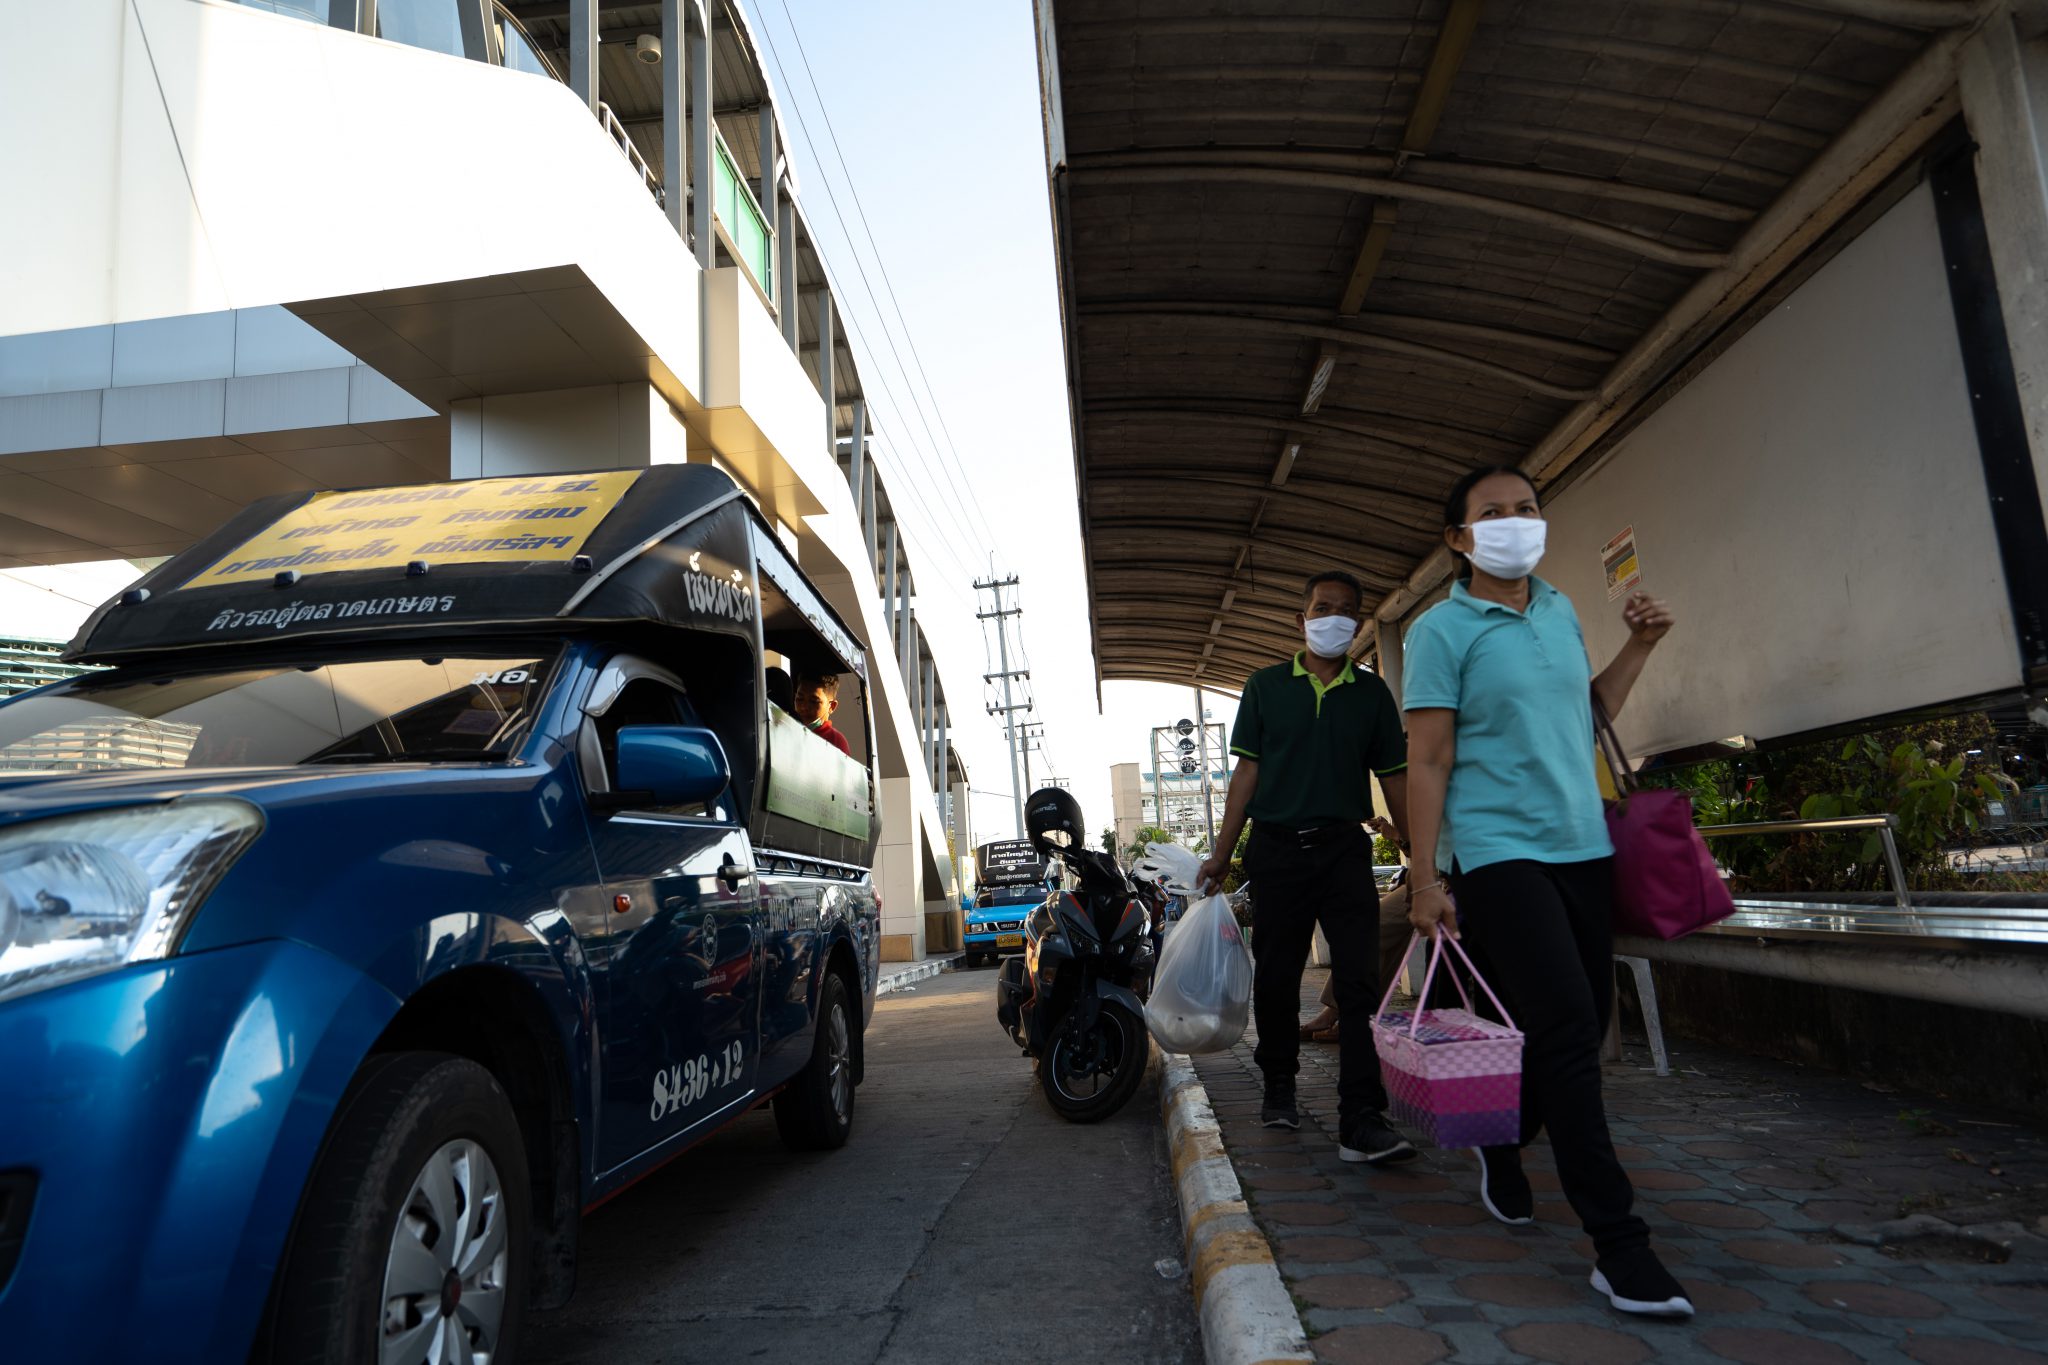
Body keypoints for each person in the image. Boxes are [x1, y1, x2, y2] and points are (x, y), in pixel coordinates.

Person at [1401, 465, 1690, 1318]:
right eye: (1493, 514)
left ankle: (1499, 1134)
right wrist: (1425, 881)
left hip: (1580, 845)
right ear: (1459, 539)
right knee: (1567, 1027)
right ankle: (1620, 1246)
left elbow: (1589, 707)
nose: (1516, 523)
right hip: (1497, 853)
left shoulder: (1560, 607)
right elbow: (1428, 758)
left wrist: (1641, 645)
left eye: (1527, 509)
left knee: (1574, 1025)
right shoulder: (1440, 631)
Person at [1197, 571, 1416, 1166]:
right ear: (1301, 619)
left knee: (1360, 983)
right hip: (1275, 850)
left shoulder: (1371, 695)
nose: (1334, 618)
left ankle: (1361, 1117)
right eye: (1323, 607)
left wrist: (1422, 855)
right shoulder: (1266, 687)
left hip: (1345, 850)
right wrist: (1222, 853)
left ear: (1360, 623)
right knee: (1276, 976)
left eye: (1347, 611)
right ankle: (1279, 1086)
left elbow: (1394, 778)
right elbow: (1247, 775)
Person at [794, 671, 852, 755]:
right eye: (799, 699)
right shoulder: (787, 727)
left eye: (814, 701)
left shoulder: (836, 741)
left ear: (831, 706)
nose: (804, 707)